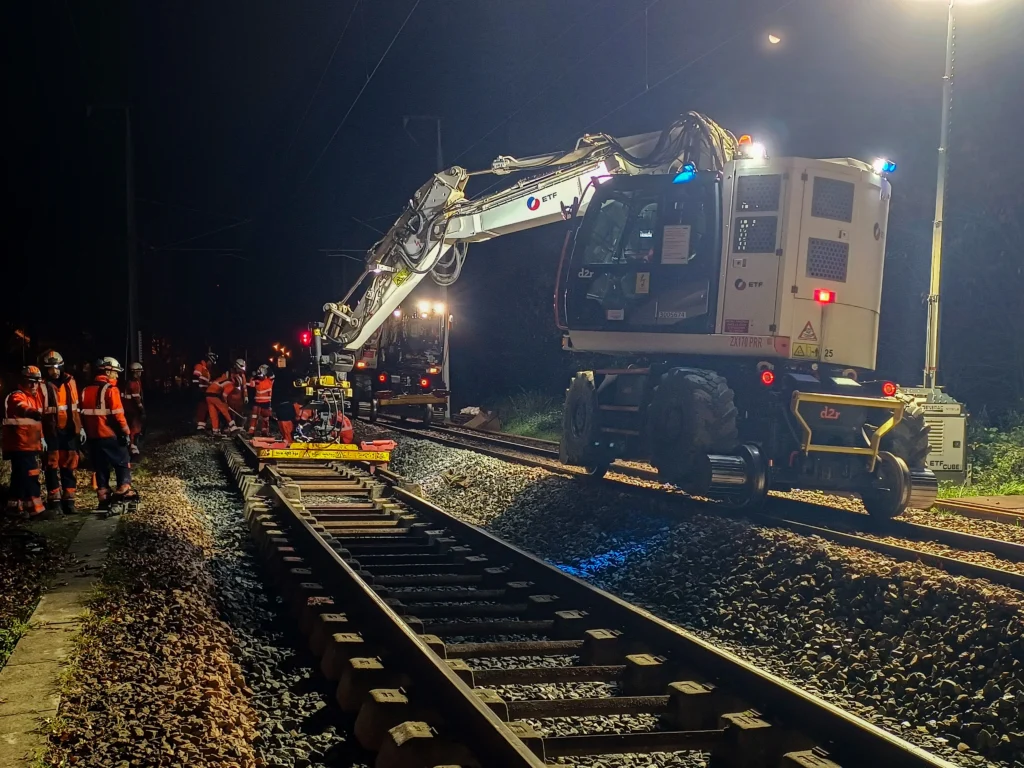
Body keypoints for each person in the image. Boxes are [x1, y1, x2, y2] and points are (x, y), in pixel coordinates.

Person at [80, 357, 135, 511]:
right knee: (122, 461)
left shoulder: (85, 390)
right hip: (110, 435)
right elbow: (118, 415)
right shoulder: (111, 390)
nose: (116, 376)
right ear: (107, 372)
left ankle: (103, 496)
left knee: (100, 467)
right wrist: (126, 432)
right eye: (115, 372)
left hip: (93, 437)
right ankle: (123, 491)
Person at [39, 350, 85, 514]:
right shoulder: (42, 385)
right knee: (51, 464)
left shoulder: (70, 382)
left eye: (57, 367)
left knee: (70, 463)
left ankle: (69, 500)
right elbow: (39, 412)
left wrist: (80, 427)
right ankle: (55, 501)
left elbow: (76, 407)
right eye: (51, 368)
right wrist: (41, 436)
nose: (54, 371)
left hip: (69, 429)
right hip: (51, 429)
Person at [3, 366, 46, 518]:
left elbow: (36, 425)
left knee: (20, 477)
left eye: (37, 382)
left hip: (28, 444)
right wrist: (33, 412)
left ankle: (15, 508)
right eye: (30, 382)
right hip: (20, 444)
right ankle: (35, 509)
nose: (34, 385)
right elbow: (21, 407)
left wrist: (41, 438)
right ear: (23, 381)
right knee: (30, 475)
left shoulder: (33, 398)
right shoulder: (17, 396)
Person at [205, 370, 236, 435]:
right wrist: (226, 403)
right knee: (224, 410)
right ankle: (233, 427)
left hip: (207, 395)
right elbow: (224, 395)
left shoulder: (221, 379)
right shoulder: (230, 384)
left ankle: (215, 430)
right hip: (214, 395)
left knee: (213, 413)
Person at [124, 362, 145, 458]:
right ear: (136, 372)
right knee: (135, 428)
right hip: (133, 409)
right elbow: (137, 399)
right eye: (139, 371)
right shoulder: (134, 383)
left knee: (129, 427)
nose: (140, 373)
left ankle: (130, 445)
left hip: (126, 409)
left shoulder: (127, 382)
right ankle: (133, 447)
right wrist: (142, 409)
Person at [247, 365, 273, 436]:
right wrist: (253, 377)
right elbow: (251, 384)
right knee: (254, 416)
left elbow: (272, 375)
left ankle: (265, 432)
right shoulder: (257, 380)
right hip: (258, 402)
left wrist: (267, 368)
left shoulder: (269, 380)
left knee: (265, 418)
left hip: (266, 402)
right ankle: (251, 431)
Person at [192, 353, 214, 430]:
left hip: (205, 391)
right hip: (200, 391)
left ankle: (202, 426)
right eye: (211, 362)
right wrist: (197, 389)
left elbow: (206, 381)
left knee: (205, 408)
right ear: (208, 360)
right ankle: (200, 426)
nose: (211, 364)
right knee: (202, 408)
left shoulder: (206, 370)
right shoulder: (200, 366)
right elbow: (195, 378)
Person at [227, 359, 247, 424]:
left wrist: (246, 396)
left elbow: (244, 386)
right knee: (230, 412)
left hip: (239, 396)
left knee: (239, 411)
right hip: (230, 394)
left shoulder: (242, 375)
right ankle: (230, 425)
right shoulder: (229, 373)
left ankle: (239, 424)